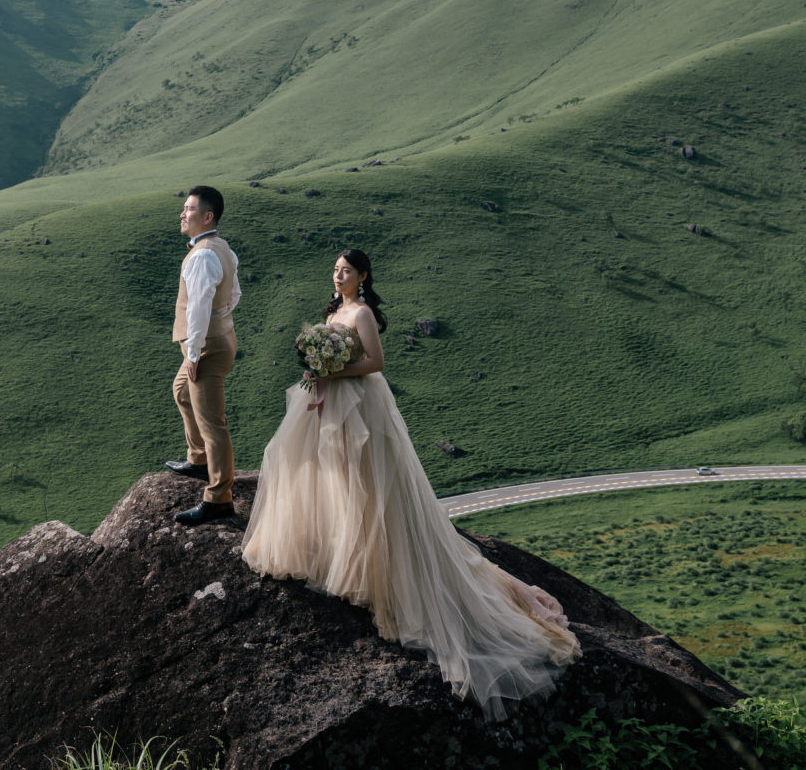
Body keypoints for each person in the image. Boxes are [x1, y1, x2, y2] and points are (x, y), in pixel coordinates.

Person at [241, 249, 579, 718]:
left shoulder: (362, 314)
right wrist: (316, 369)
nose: (338, 276)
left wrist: (332, 369)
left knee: (369, 486)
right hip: (330, 401)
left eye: (346, 271)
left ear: (363, 276)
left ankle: (377, 569)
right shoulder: (334, 311)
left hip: (360, 405)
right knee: (330, 479)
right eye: (335, 270)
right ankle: (341, 555)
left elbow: (375, 363)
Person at [164, 185, 242, 526]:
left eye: (189, 209)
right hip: (218, 338)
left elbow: (197, 308)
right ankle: (198, 460)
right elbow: (234, 293)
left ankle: (219, 498)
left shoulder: (202, 256)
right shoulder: (222, 249)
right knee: (182, 391)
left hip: (207, 347)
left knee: (213, 423)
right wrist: (221, 319)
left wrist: (195, 352)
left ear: (207, 216)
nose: (182, 214)